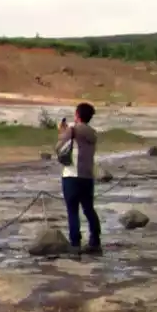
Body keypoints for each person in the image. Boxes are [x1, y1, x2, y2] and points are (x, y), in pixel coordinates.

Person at [56, 102, 102, 255]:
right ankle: (95, 241)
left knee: (72, 211)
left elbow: (59, 147)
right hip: (87, 176)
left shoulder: (73, 130)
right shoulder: (93, 133)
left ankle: (75, 244)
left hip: (72, 175)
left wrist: (61, 131)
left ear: (77, 115)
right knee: (89, 209)